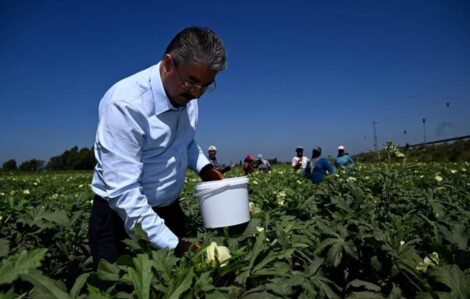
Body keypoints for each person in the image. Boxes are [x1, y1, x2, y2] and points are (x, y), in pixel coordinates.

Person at [89, 27, 227, 269]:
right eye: (191, 81)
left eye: (206, 86)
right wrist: (176, 245)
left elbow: (185, 142)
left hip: (169, 211)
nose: (197, 93)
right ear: (168, 64)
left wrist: (206, 170)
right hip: (119, 218)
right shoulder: (126, 105)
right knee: (119, 288)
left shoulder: (187, 96)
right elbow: (124, 194)